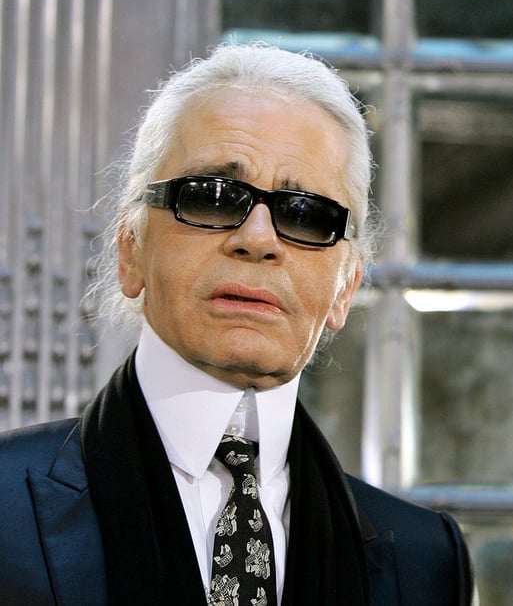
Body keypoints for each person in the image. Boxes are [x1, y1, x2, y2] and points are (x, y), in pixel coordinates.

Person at [0, 43, 473, 605]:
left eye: (305, 213)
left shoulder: (426, 561)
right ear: (130, 250)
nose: (257, 239)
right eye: (213, 197)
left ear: (346, 287)